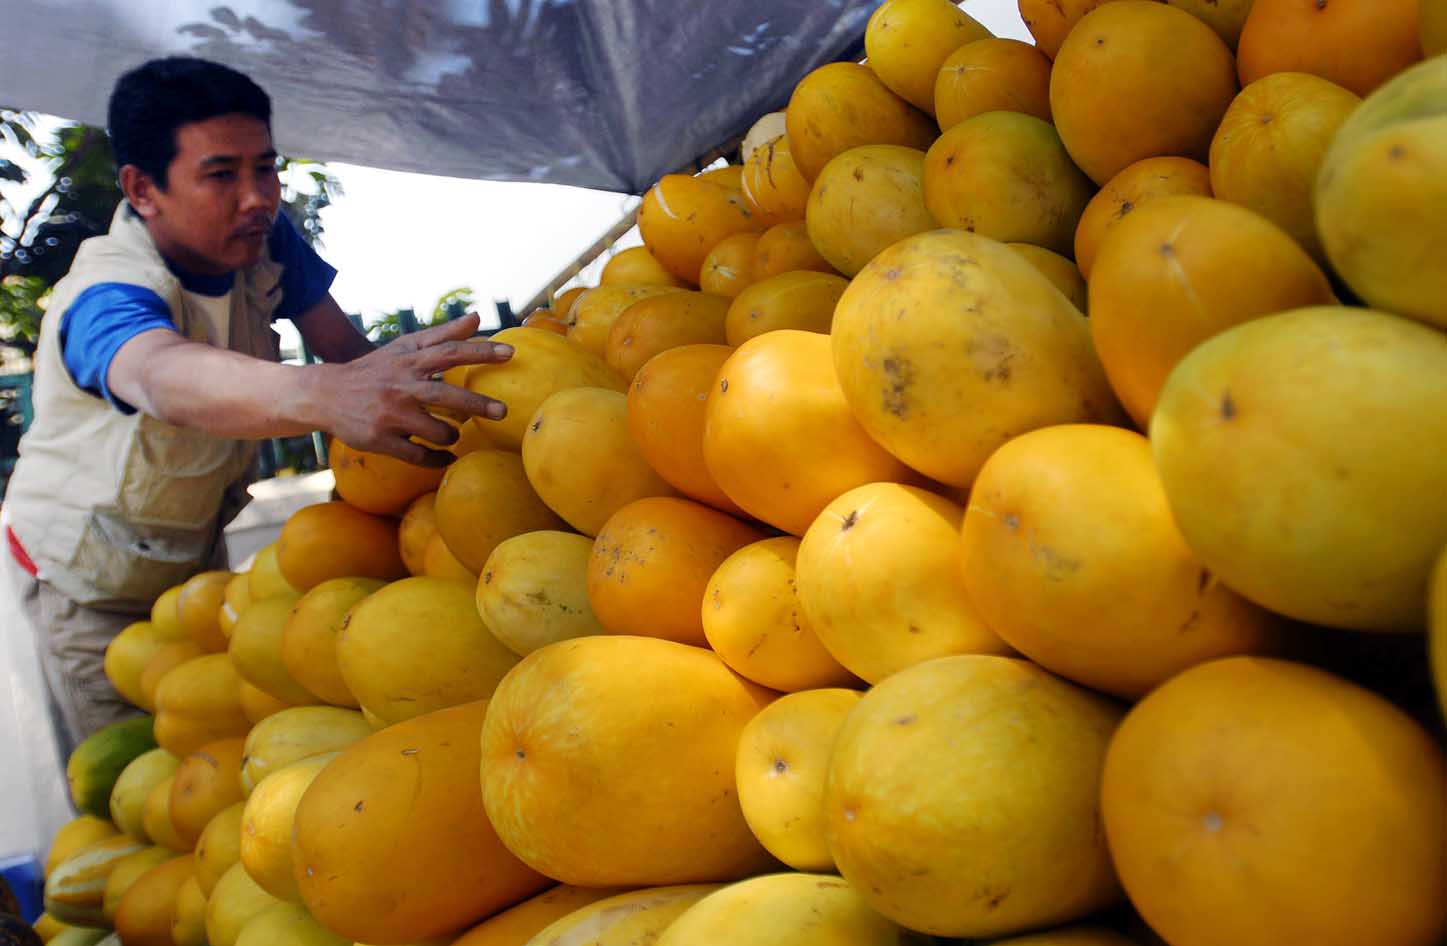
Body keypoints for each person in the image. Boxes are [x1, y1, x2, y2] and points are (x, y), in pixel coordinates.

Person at [1, 56, 512, 750]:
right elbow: (153, 371)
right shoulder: (106, 290)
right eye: (221, 174)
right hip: (88, 591)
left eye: (265, 168)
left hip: (193, 561)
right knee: (141, 784)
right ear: (142, 188)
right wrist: (323, 396)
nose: (256, 198)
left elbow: (347, 352)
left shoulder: (264, 241)